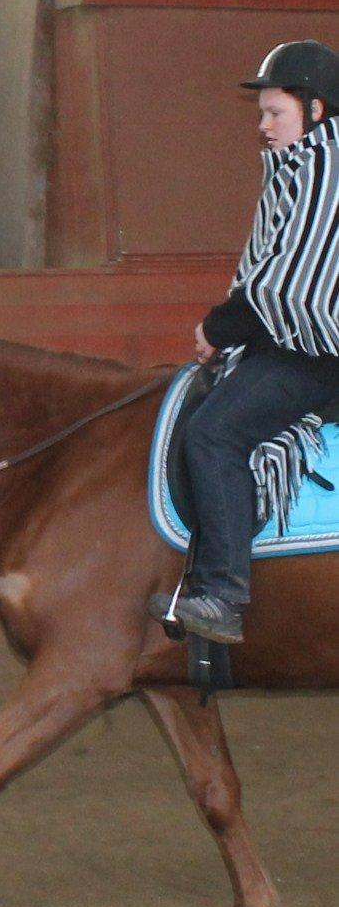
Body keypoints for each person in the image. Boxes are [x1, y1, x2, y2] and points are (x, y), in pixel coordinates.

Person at [149, 40, 339, 644]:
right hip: (289, 345)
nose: (263, 126)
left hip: (318, 354)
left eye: (274, 112)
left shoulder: (324, 169)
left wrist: (218, 328)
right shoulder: (296, 169)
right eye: (262, 114)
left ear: (315, 110)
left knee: (214, 433)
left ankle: (223, 594)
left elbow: (290, 287)